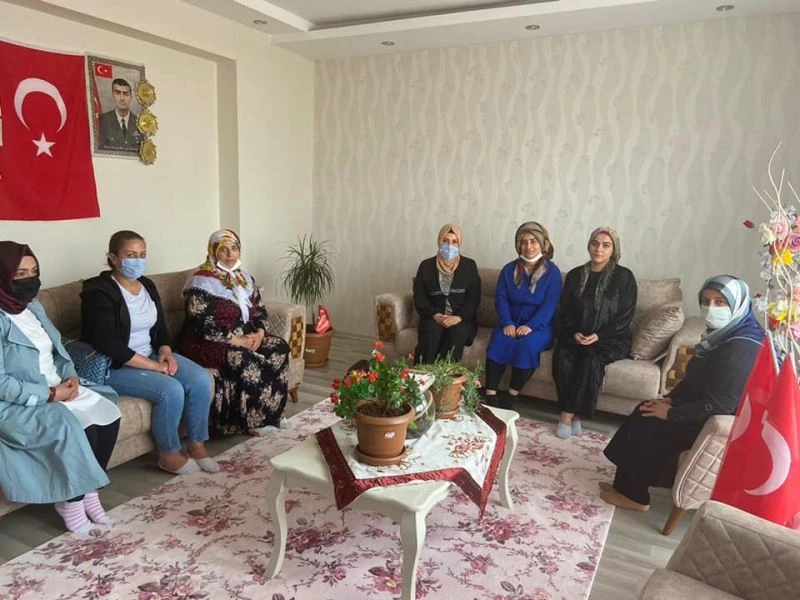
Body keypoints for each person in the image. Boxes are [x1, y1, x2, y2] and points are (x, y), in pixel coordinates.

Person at [601, 275, 764, 512]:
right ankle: (623, 486)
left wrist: (671, 413)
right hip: (701, 406)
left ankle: (635, 496)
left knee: (647, 423)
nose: (711, 308)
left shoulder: (743, 347)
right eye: (706, 301)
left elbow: (722, 404)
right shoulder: (723, 335)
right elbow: (694, 381)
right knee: (646, 408)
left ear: (738, 304)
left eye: (720, 302)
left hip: (719, 421)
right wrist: (670, 399)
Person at [0, 242, 121, 533]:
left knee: (107, 414)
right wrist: (51, 394)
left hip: (56, 386)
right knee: (72, 424)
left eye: (34, 271)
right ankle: (71, 502)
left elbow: (57, 350)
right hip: (17, 402)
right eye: (20, 274)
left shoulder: (33, 307)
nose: (30, 280)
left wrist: (70, 375)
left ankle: (90, 493)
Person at [81, 230, 218, 475]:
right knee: (171, 389)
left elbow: (160, 327)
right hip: (115, 365)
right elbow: (106, 343)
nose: (138, 260)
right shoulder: (98, 292)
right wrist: (154, 367)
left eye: (142, 254)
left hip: (151, 354)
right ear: (113, 258)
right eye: (131, 255)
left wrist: (165, 351)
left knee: (200, 379)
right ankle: (169, 454)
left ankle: (196, 445)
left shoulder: (147, 285)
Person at [182, 229, 291, 436]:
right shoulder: (201, 282)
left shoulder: (243, 278)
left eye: (234, 248)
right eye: (223, 249)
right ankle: (254, 422)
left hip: (245, 335)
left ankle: (274, 414)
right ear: (213, 251)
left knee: (279, 347)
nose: (230, 254)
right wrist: (237, 340)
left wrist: (259, 334)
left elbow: (259, 311)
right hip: (208, 342)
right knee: (245, 358)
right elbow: (200, 324)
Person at [552, 227, 637, 438]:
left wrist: (599, 335)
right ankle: (576, 416)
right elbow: (565, 311)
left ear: (614, 250)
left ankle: (567, 415)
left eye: (606, 245)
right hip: (578, 335)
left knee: (589, 357)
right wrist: (574, 333)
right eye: (595, 243)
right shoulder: (575, 275)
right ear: (589, 245)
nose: (599, 249)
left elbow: (625, 316)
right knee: (562, 356)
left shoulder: (624, 277)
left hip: (611, 338)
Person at [484, 222, 561, 409]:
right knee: (500, 339)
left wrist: (531, 326)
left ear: (542, 244)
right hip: (510, 322)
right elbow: (501, 299)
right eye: (524, 242)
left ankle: (512, 395)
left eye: (533, 241)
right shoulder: (508, 270)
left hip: (539, 327)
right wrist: (507, 322)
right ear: (518, 245)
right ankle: (490, 395)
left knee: (527, 344)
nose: (529, 246)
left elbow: (549, 305)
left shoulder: (552, 273)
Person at [412, 224, 481, 365]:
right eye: (445, 241)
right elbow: (420, 297)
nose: (449, 246)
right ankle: (423, 374)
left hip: (461, 319)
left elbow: (473, 299)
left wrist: (458, 317)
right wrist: (436, 315)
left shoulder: (469, 266)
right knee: (431, 333)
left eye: (454, 242)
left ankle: (447, 376)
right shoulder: (426, 266)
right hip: (433, 317)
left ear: (459, 244)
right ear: (439, 241)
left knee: (457, 334)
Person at [98, 78, 141, 149]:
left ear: (131, 97)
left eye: (126, 94)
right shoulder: (102, 120)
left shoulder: (139, 123)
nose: (122, 98)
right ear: (113, 95)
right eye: (118, 93)